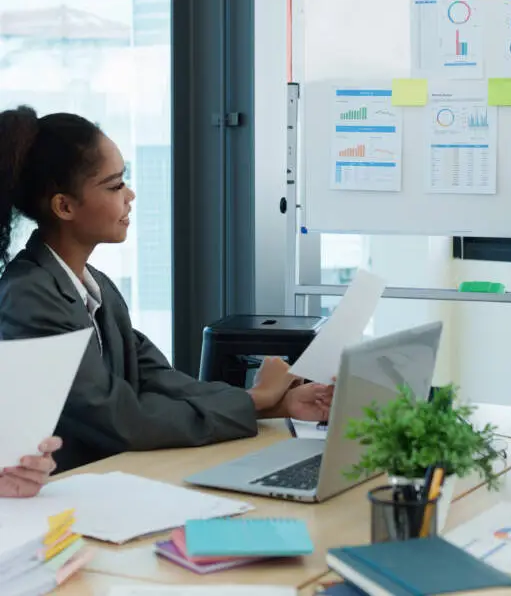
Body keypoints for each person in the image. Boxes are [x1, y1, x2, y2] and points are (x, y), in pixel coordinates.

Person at [0, 106, 334, 473]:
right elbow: (120, 419)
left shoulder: (98, 288)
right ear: (64, 206)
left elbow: (162, 382)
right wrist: (258, 399)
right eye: (114, 185)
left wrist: (275, 404)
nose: (130, 195)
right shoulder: (28, 297)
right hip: (66, 500)